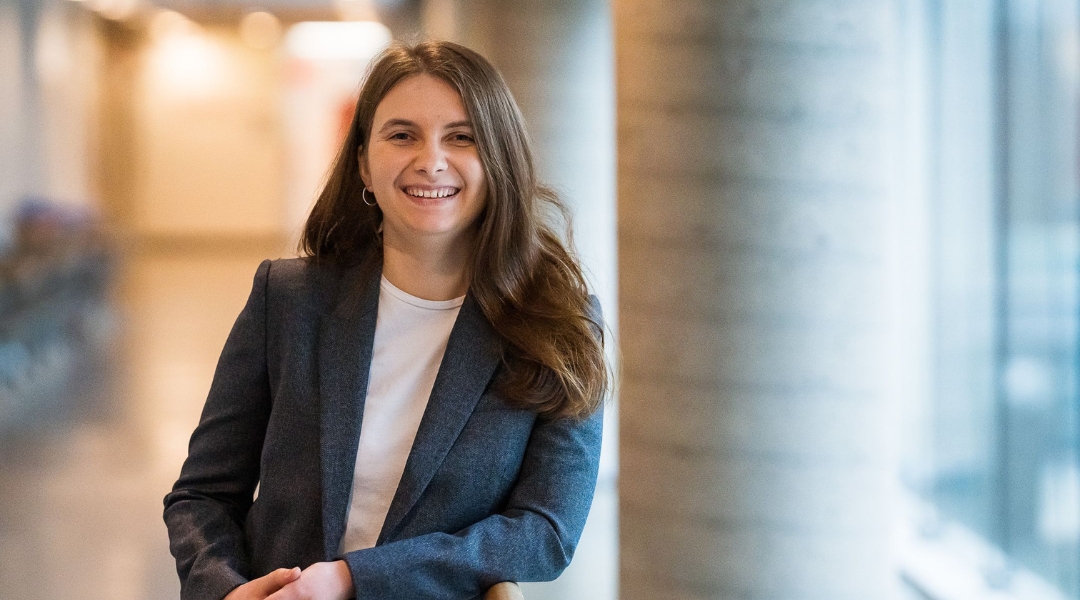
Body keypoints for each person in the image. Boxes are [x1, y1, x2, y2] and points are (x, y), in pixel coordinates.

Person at [163, 40, 608, 600]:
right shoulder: (288, 299)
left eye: (462, 137)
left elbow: (545, 532)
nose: (431, 160)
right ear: (364, 167)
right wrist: (226, 591)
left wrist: (352, 580)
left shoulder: (558, 324)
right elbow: (202, 496)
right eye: (402, 135)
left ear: (499, 160)